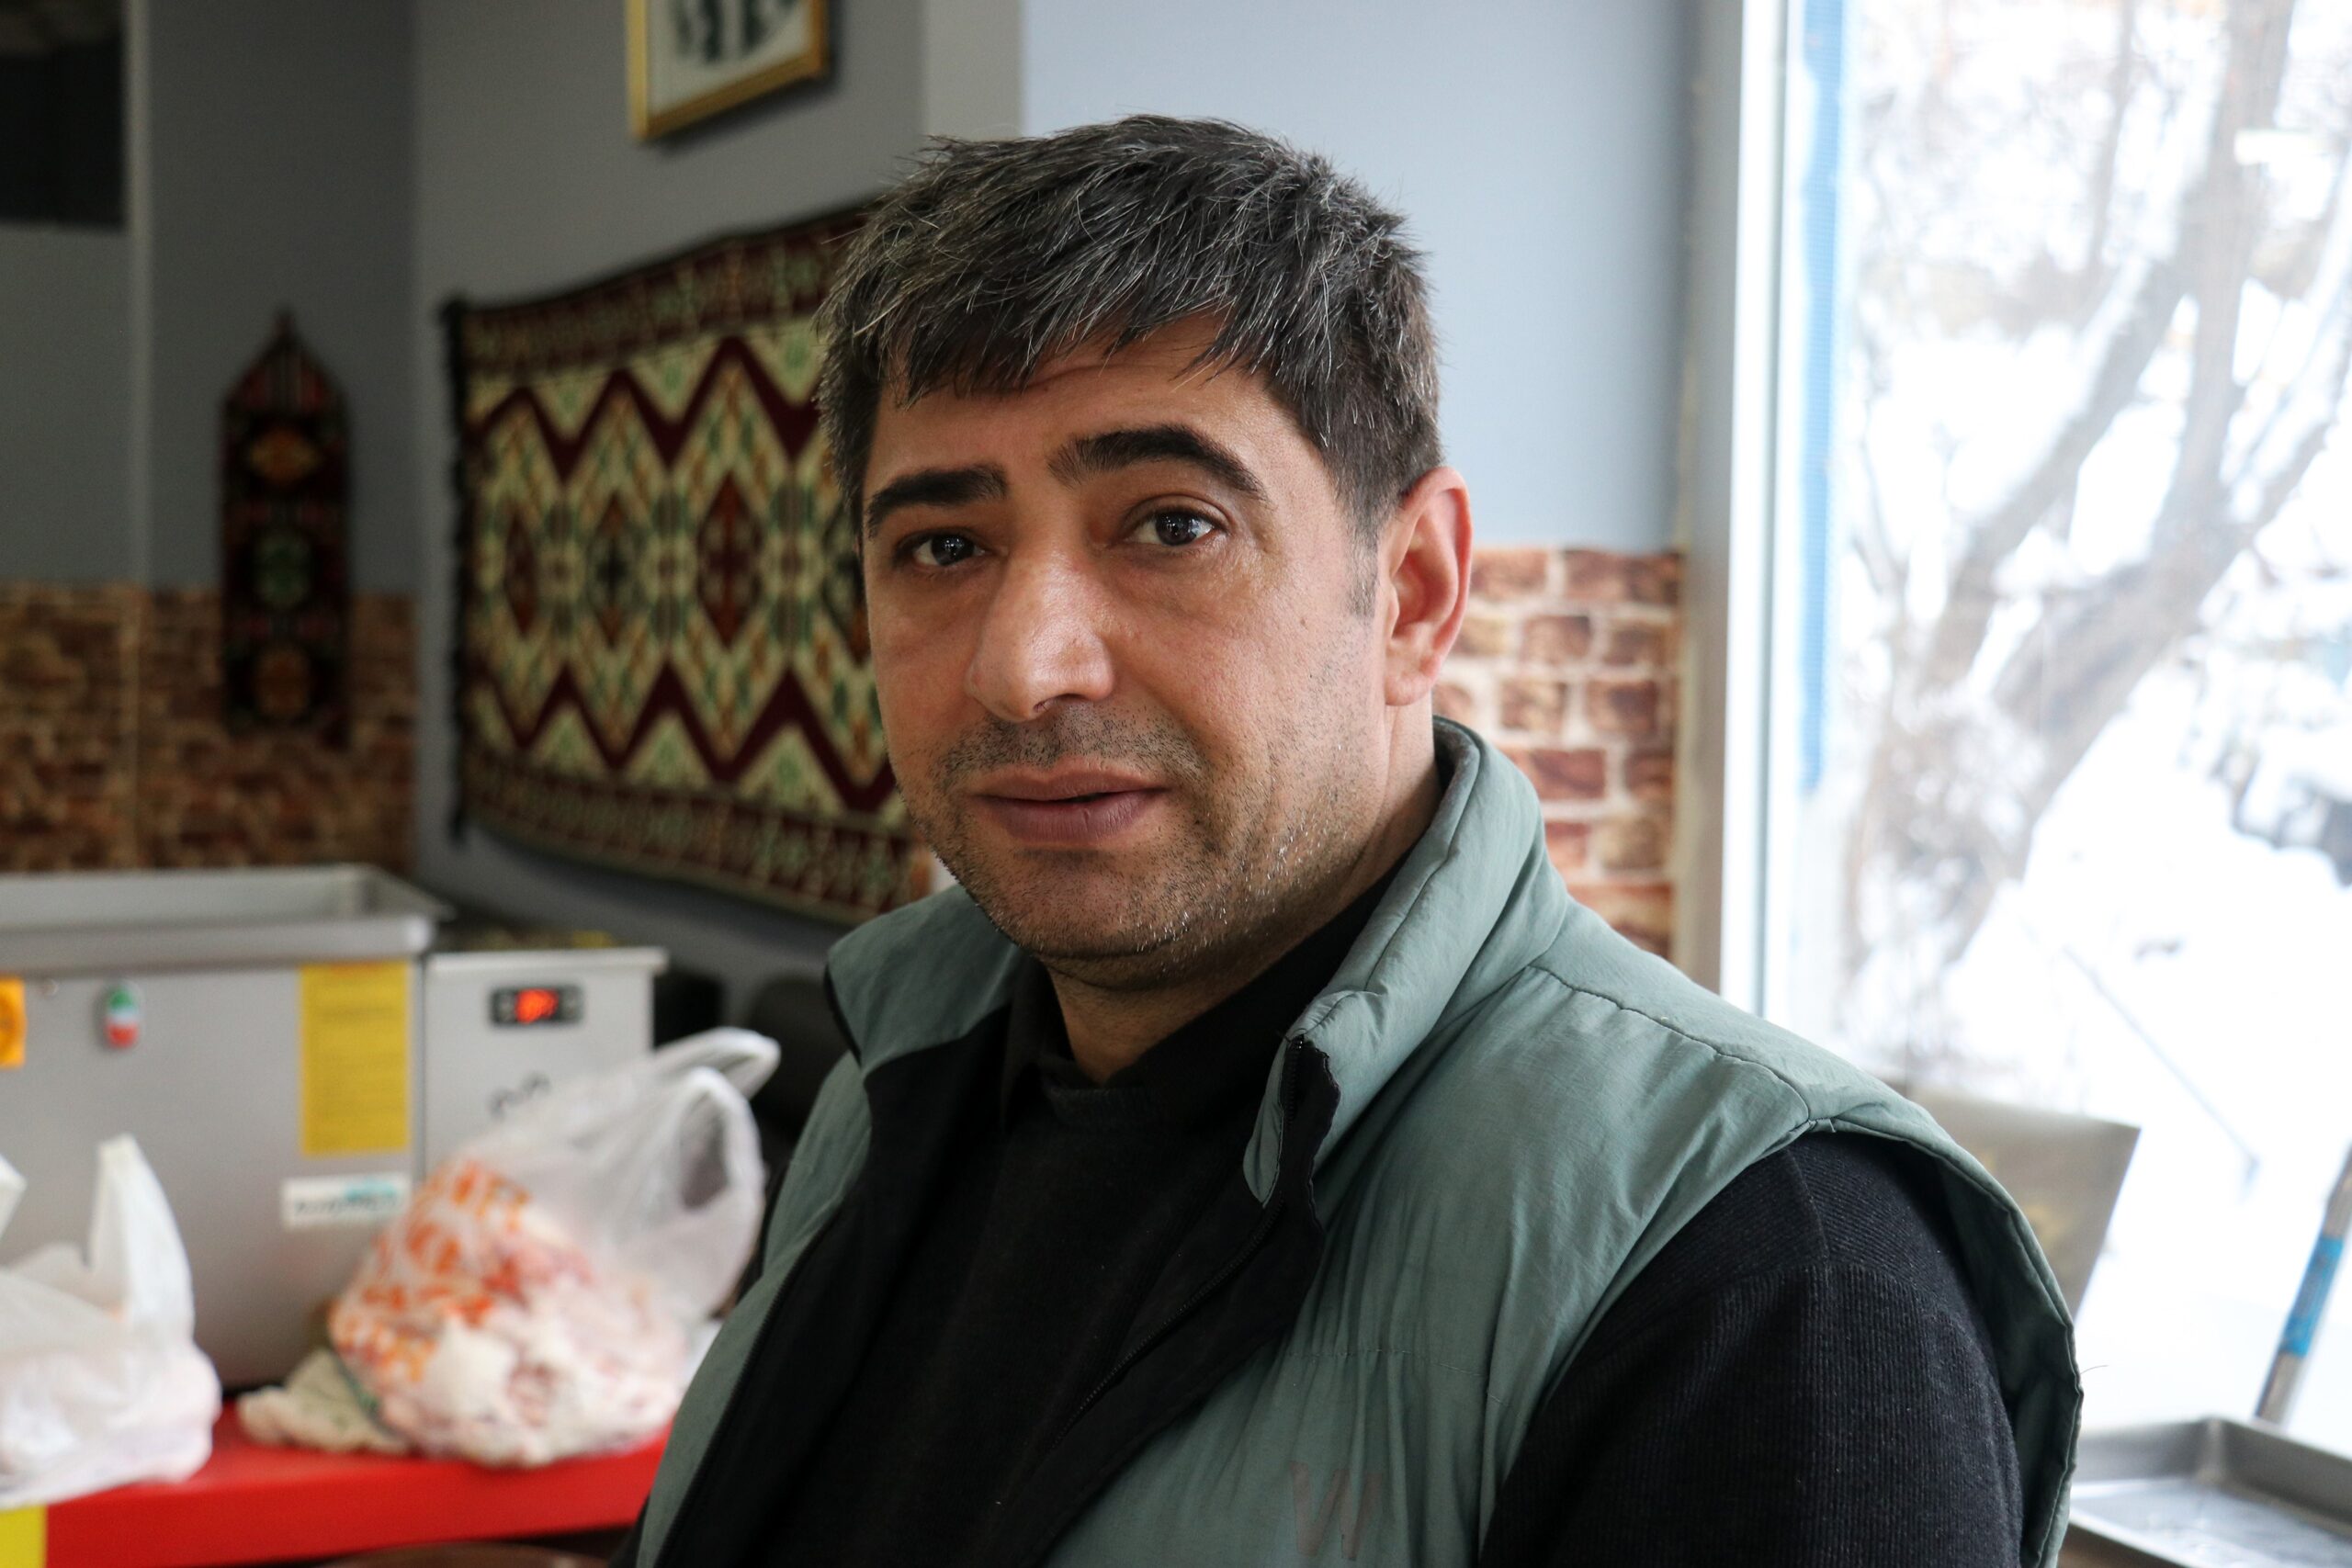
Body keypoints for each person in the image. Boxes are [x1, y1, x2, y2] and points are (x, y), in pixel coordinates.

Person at [613, 116, 2078, 1568]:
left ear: (1415, 592)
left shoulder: (1774, 1278)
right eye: (944, 547)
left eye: (1172, 526)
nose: (1025, 667)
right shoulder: (898, 1071)